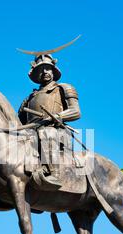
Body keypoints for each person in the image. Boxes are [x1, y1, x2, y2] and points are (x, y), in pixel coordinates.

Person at [18, 54, 81, 188]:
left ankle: (53, 173)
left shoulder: (63, 88)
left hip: (56, 131)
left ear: (53, 71)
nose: (45, 72)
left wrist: (57, 116)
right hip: (32, 132)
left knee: (47, 133)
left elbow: (76, 112)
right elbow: (20, 122)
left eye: (48, 68)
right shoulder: (30, 98)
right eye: (41, 70)